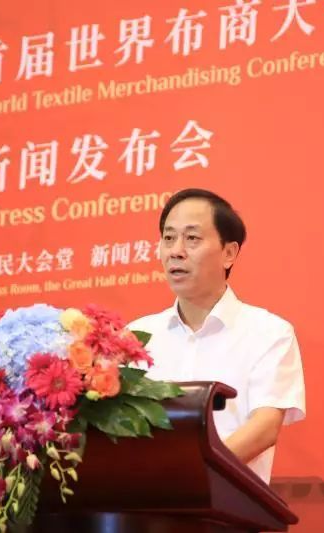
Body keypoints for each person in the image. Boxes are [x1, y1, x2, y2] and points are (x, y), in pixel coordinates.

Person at [129, 188, 306, 484]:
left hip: (227, 503)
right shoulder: (136, 336)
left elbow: (264, 429)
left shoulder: (269, 332)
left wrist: (187, 475)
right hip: (144, 501)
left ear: (228, 253)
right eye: (169, 238)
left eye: (192, 238)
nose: (176, 251)